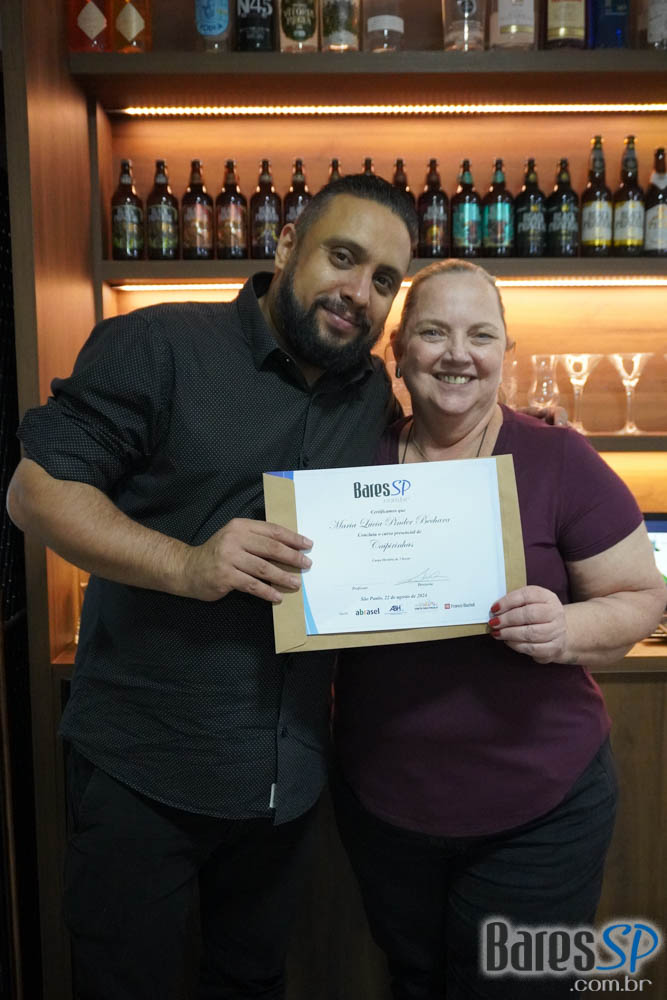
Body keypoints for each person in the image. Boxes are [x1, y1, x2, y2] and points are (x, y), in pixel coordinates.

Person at [6, 174, 417, 1000]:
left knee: (252, 982)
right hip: (145, 768)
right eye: (342, 257)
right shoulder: (157, 344)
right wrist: (187, 565)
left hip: (287, 781)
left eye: (383, 280)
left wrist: (518, 431)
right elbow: (36, 492)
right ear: (286, 245)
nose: (358, 292)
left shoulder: (370, 391)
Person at [331, 259, 666, 1000]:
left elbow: (643, 596)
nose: (458, 354)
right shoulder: (348, 460)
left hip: (540, 810)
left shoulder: (556, 456)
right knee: (412, 981)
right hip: (384, 807)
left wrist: (564, 627)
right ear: (397, 353)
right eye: (433, 333)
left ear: (505, 353)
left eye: (480, 335)